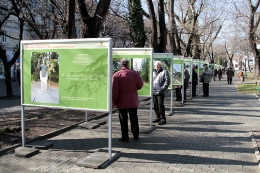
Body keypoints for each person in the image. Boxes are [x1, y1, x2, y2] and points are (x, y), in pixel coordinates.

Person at [112, 59, 143, 142]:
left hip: (121, 101)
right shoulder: (135, 73)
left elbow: (114, 91)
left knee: (123, 119)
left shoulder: (116, 75)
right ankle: (136, 135)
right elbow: (140, 85)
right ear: (128, 64)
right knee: (134, 118)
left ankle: (125, 137)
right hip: (132, 99)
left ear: (121, 65)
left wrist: (114, 102)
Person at [152, 61, 170, 125]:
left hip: (160, 92)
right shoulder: (152, 72)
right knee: (155, 105)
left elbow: (167, 81)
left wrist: (162, 89)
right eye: (156, 65)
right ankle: (158, 117)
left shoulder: (164, 71)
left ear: (160, 65)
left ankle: (163, 119)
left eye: (158, 65)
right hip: (153, 91)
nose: (156, 66)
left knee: (160, 105)